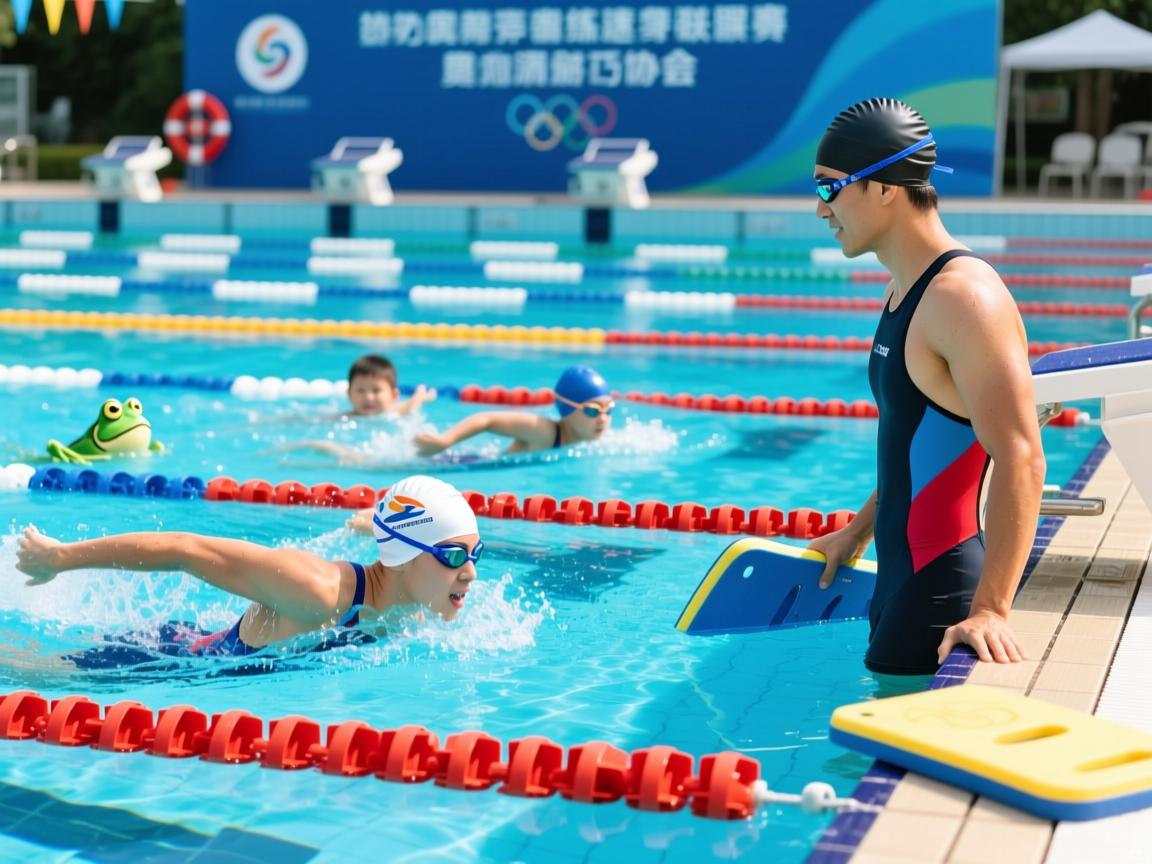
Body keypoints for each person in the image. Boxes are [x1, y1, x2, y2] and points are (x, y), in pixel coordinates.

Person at [806, 97, 1046, 676]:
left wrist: (991, 609)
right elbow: (914, 441)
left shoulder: (961, 298)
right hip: (900, 581)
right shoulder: (905, 287)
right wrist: (856, 532)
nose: (820, 210)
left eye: (828, 189)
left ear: (885, 187)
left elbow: (1022, 457)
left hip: (939, 591)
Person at [15, 475, 482, 663]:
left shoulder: (418, 605)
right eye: (455, 557)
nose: (471, 574)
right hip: (158, 662)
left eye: (476, 555)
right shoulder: (318, 590)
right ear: (405, 555)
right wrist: (59, 558)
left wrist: (370, 524)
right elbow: (185, 548)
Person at [413, 365, 614, 457]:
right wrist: (445, 441)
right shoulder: (544, 431)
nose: (603, 419)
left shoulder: (597, 440)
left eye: (608, 410)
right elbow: (487, 419)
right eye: (593, 411)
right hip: (462, 462)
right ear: (567, 409)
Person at [345, 354, 436, 417]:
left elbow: (413, 404)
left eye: (376, 391)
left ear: (394, 395)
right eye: (361, 390)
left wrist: (420, 396)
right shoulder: (347, 417)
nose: (368, 397)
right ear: (349, 394)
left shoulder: (395, 412)